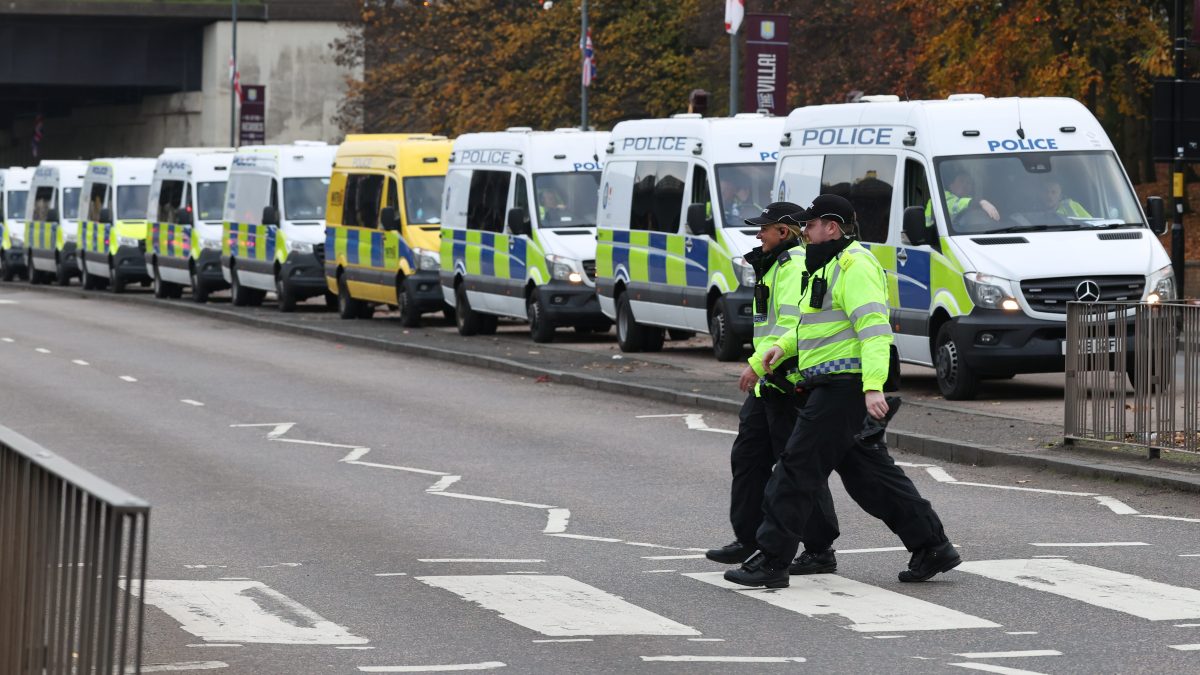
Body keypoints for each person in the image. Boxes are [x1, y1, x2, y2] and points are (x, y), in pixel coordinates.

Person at [725, 193, 960, 589]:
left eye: (810, 225)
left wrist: (873, 387)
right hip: (827, 384)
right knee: (866, 475)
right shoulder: (825, 265)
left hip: (846, 385)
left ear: (830, 227)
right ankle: (932, 545)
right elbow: (809, 324)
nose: (805, 232)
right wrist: (781, 347)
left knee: (796, 468)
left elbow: (874, 330)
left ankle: (772, 559)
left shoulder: (855, 265)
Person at [705, 202, 840, 575]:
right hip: (767, 382)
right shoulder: (772, 265)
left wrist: (755, 364)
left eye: (763, 228)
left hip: (785, 383)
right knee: (748, 459)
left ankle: (819, 548)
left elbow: (791, 326)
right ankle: (749, 540)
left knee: (796, 468)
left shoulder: (793, 266)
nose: (757, 234)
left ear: (783, 232)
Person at [926, 168, 998, 226]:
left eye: (968, 183)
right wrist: (982, 202)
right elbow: (957, 204)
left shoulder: (970, 202)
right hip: (932, 236)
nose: (965, 185)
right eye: (961, 181)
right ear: (951, 185)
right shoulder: (942, 197)